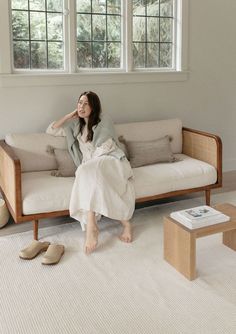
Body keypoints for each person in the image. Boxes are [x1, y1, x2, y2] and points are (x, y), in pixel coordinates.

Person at [47, 91, 135, 254]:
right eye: (79, 103)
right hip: (90, 168)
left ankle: (92, 228)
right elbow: (51, 130)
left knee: (86, 170)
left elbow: (106, 147)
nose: (81, 106)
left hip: (111, 161)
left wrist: (89, 165)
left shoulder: (104, 120)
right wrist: (69, 115)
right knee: (90, 175)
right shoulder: (74, 126)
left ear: (94, 106)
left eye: (86, 103)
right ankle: (118, 224)